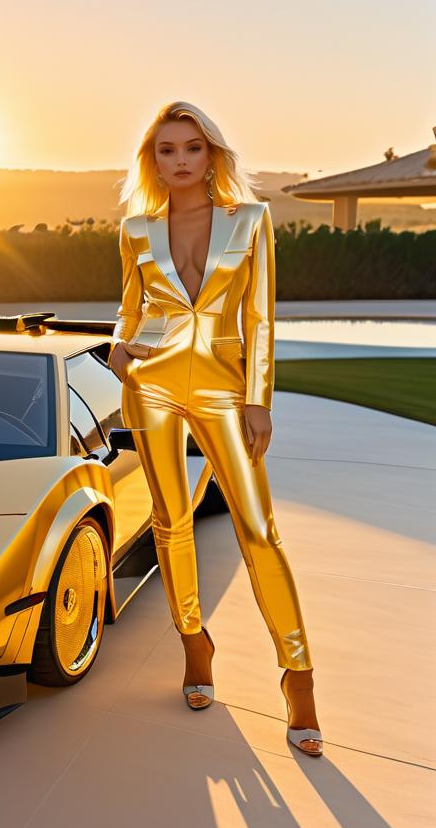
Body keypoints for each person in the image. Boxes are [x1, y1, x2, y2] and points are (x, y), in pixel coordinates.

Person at [107, 101, 323, 756]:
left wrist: (259, 399)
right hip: (154, 385)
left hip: (229, 389)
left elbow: (260, 317)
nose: (178, 161)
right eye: (166, 150)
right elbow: (129, 308)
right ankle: (194, 645)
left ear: (212, 155)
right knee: (171, 523)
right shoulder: (136, 228)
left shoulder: (250, 221)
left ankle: (299, 676)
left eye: (191, 148)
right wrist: (119, 347)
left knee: (259, 529)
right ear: (154, 160)